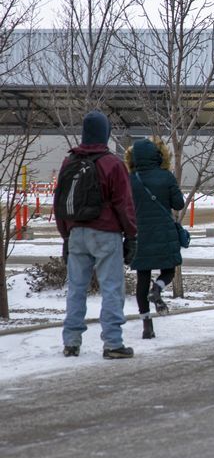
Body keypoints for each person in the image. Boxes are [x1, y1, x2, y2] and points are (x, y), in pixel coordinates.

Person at [56, 111, 137, 359]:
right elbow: (124, 203)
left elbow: (59, 201)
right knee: (111, 287)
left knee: (76, 289)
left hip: (76, 232)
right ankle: (112, 343)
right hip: (105, 233)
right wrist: (131, 235)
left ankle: (71, 341)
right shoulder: (112, 163)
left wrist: (66, 236)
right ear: (106, 133)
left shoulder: (69, 162)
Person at [125, 137, 185, 340]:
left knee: (142, 278)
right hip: (164, 233)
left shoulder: (130, 179)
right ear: (157, 155)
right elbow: (178, 204)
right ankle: (157, 289)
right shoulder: (165, 176)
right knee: (168, 269)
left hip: (139, 235)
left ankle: (146, 326)